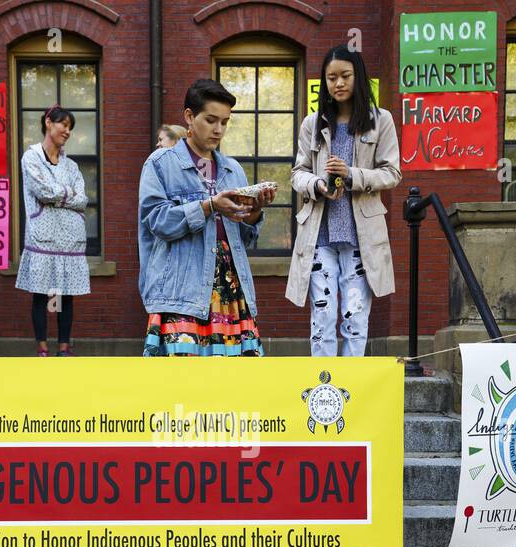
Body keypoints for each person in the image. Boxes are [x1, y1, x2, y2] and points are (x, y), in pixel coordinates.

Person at [140, 79, 276, 357]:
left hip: (231, 291)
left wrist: (255, 212)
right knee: (180, 385)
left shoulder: (232, 169)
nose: (218, 130)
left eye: (225, 122)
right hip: (181, 290)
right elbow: (157, 222)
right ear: (189, 116)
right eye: (211, 120)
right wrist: (209, 206)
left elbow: (243, 239)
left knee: (233, 387)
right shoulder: (160, 163)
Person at [287, 46, 401, 357]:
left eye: (345, 76)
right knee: (321, 319)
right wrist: (317, 184)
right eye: (331, 78)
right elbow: (297, 174)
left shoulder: (381, 121)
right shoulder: (312, 124)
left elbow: (392, 173)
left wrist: (351, 175)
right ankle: (324, 392)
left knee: (355, 318)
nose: (338, 83)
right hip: (318, 236)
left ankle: (350, 390)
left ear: (358, 77)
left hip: (361, 237)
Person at [16, 105, 90, 357]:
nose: (67, 131)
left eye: (70, 127)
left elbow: (83, 198)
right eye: (63, 125)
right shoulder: (31, 158)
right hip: (42, 237)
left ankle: (64, 347)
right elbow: (42, 191)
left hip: (69, 240)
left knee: (63, 294)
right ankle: (42, 348)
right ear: (49, 122)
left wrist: (59, 196)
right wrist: (66, 195)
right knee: (42, 293)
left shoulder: (71, 166)